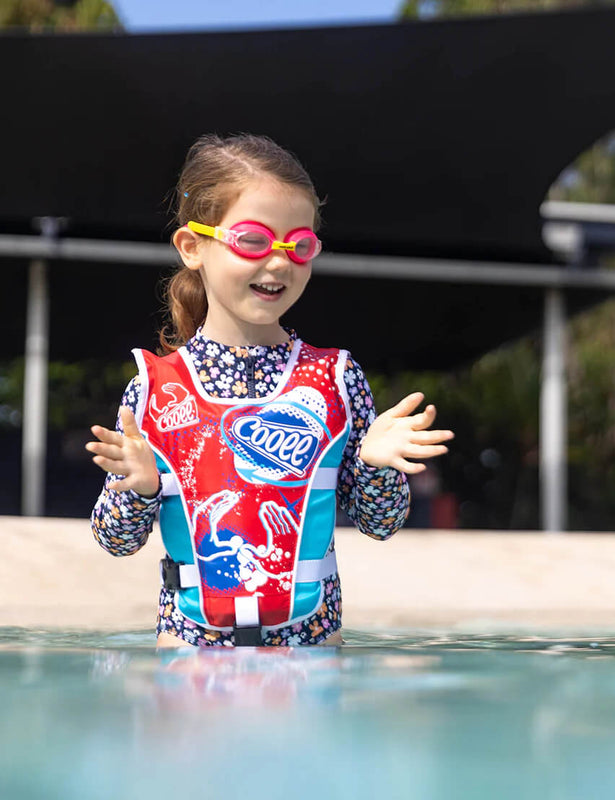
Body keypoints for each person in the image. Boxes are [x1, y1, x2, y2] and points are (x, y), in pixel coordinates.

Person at [86, 133, 453, 648]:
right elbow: (115, 540)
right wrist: (142, 490)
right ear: (193, 246)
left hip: (310, 660)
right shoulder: (155, 391)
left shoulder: (335, 380)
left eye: (299, 245)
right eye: (254, 241)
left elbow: (381, 524)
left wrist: (376, 466)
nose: (280, 262)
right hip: (191, 663)